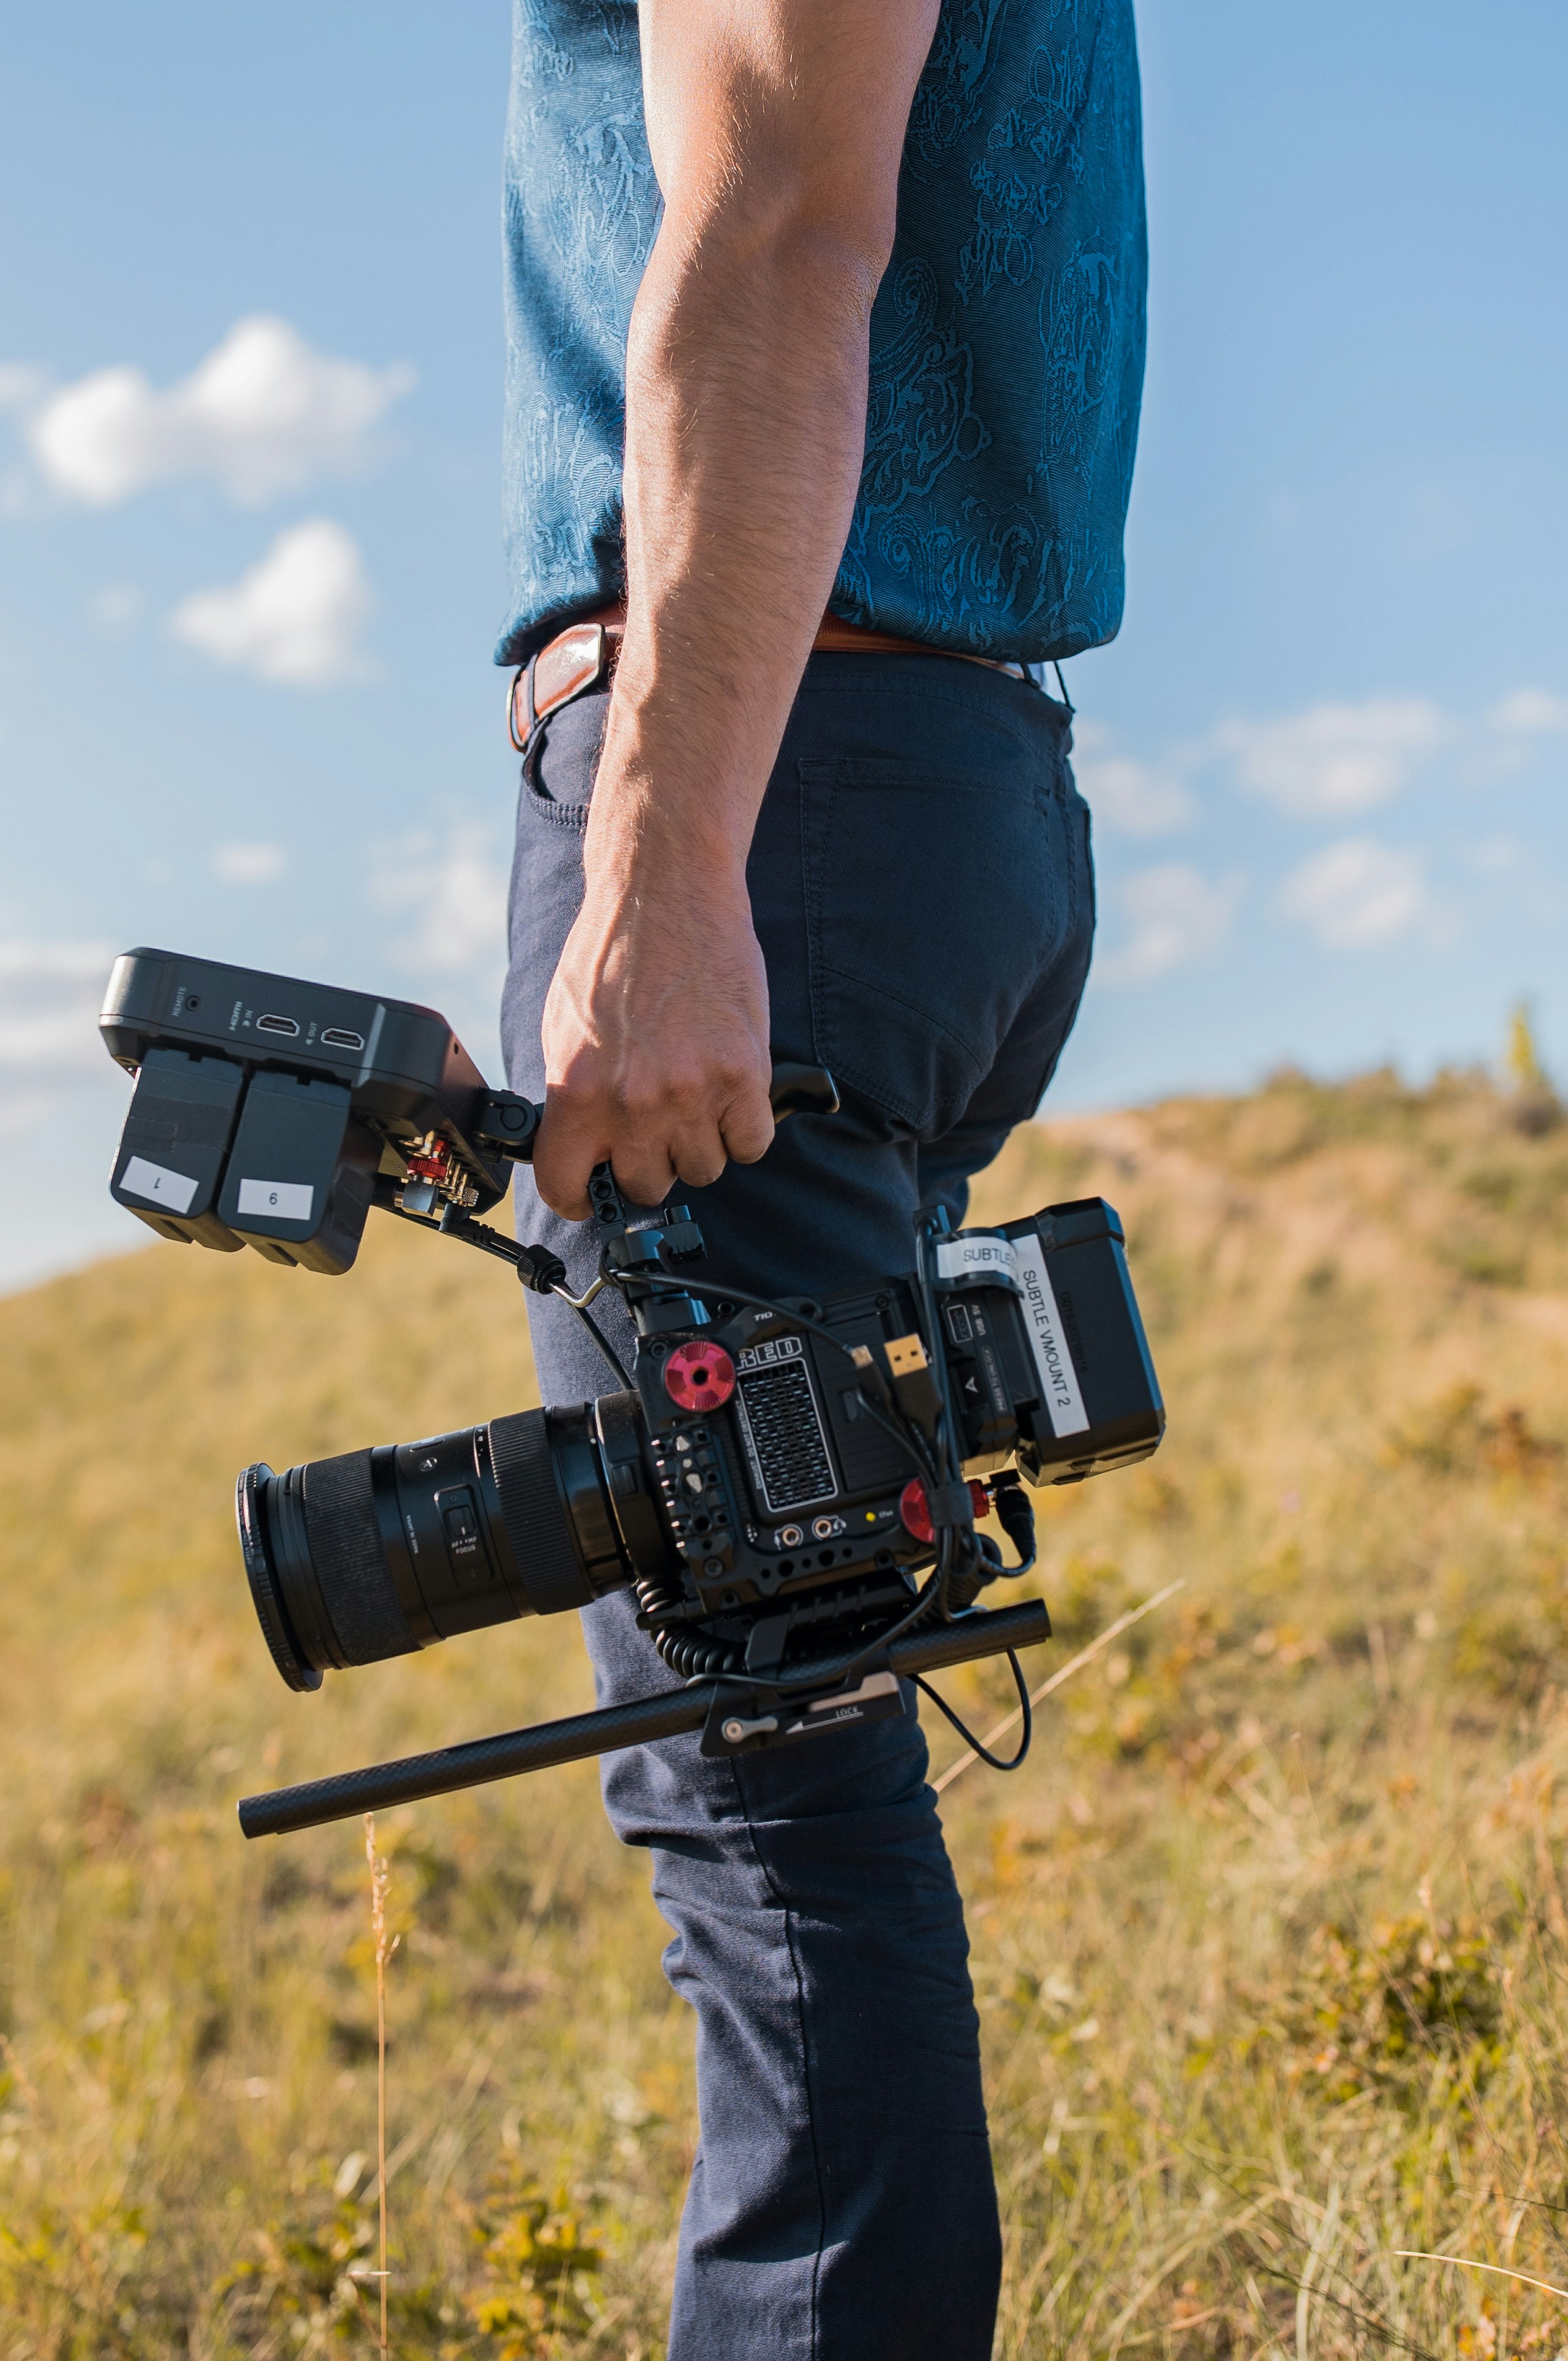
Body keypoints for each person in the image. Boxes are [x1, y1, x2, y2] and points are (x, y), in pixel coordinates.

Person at [492, 1, 1146, 2351]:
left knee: (766, 1781)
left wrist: (661, 864)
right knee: (791, 1723)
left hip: (789, 785)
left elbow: (779, 225)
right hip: (895, 774)